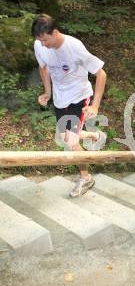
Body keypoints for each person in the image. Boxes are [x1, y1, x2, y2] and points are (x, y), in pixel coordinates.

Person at [32, 14, 107, 198]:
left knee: (71, 142)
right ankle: (94, 135)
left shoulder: (74, 47)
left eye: (45, 40)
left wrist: (95, 106)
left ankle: (86, 177)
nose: (43, 45)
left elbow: (101, 74)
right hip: (60, 97)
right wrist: (48, 92)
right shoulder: (39, 45)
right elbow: (43, 67)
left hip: (79, 96)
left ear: (55, 32)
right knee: (65, 136)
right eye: (39, 41)